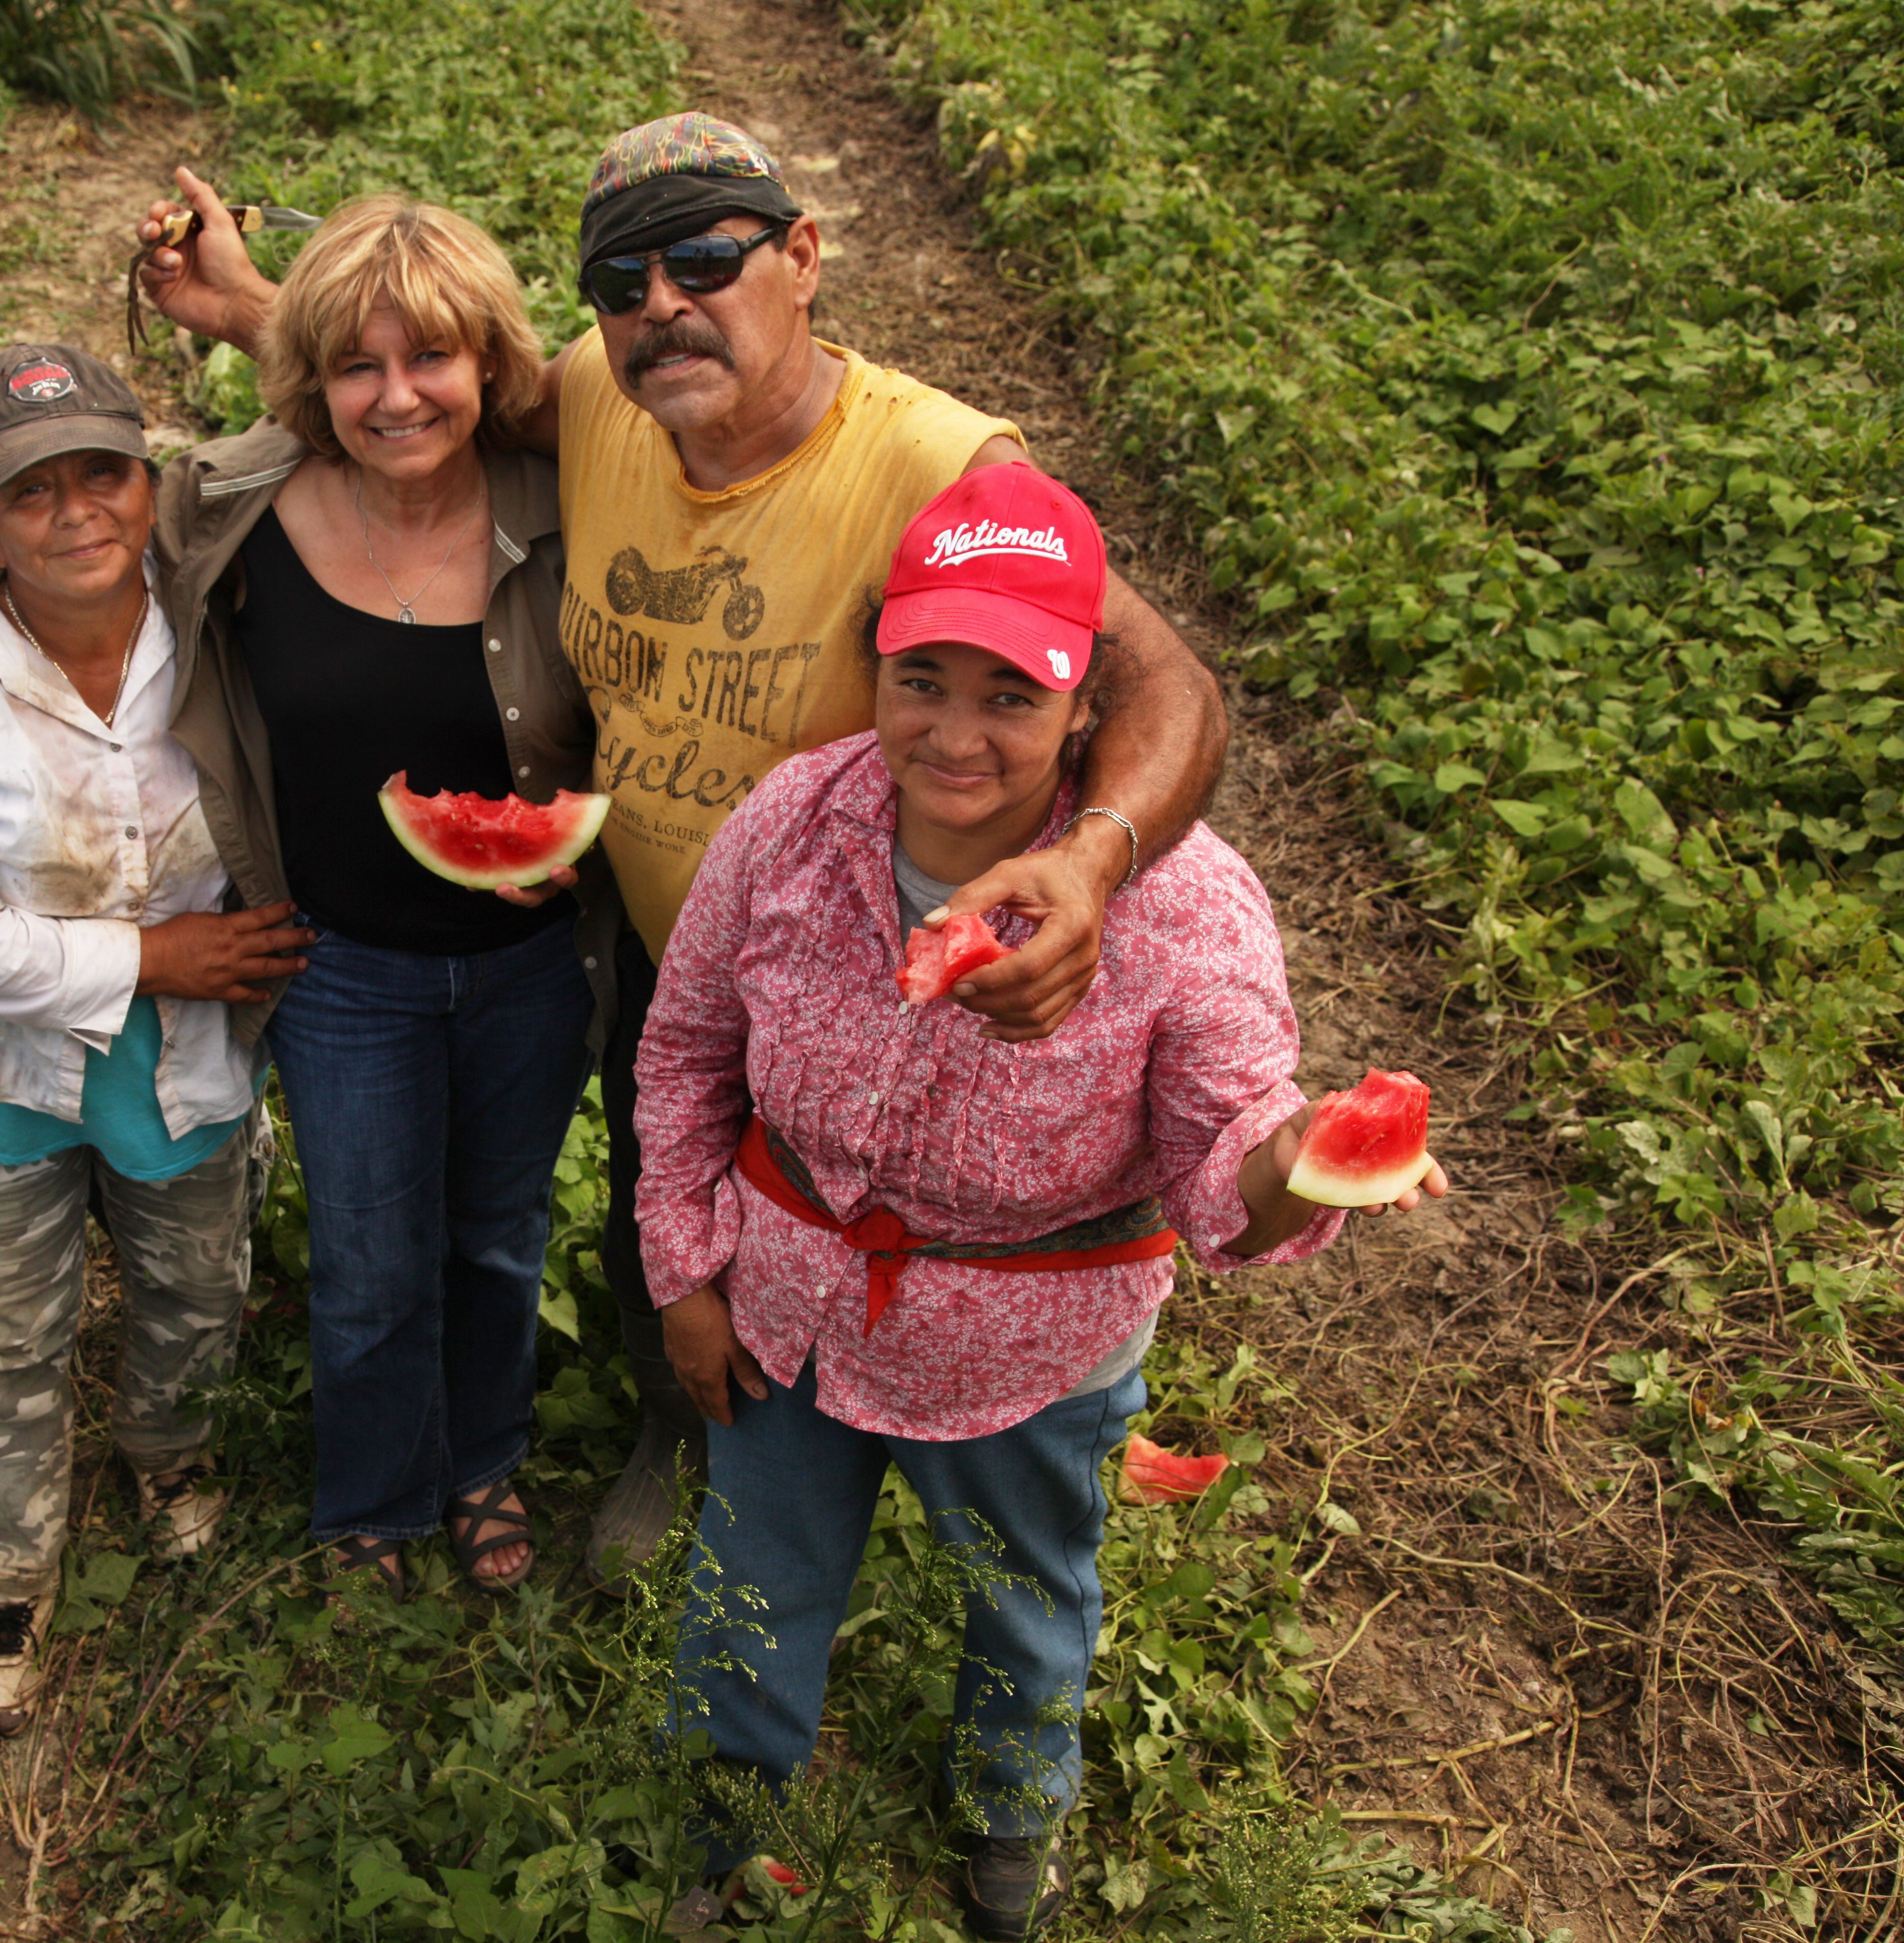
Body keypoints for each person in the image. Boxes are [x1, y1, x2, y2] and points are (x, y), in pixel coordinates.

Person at [131, 112, 1234, 1583]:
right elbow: (411, 378)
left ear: (801, 257)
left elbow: (1172, 688)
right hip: (649, 946)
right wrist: (257, 305)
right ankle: (682, 1423)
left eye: (706, 260)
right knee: (672, 1205)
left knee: (842, 1217)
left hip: (856, 957)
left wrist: (1091, 865)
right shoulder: (603, 397)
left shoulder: (936, 461)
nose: (664, 305)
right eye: (622, 283)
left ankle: (890, 1464)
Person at [633, 467, 1449, 1937]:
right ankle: (725, 1823)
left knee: (1026, 1596)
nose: (955, 733)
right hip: (791, 1313)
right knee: (751, 1591)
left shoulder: (1190, 908)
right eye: (920, 678)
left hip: (1032, 1355)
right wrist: (687, 1272)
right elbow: (687, 1048)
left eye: (1012, 694)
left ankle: (1013, 1815)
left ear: (1086, 708)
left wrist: (1305, 1156)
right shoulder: (789, 821)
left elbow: (1227, 1174)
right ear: (873, 663)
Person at [150, 197, 608, 1597]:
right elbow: (81, 539)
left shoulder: (563, 499)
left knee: (494, 1233)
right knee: (363, 1255)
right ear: (310, 382)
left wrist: (584, 842)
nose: (397, 397)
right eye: (358, 367)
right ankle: (376, 1491)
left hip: (530, 968)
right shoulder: (232, 506)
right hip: (338, 964)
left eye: (432, 362)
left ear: (489, 365)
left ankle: (481, 1458)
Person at [0, 344, 312, 1734]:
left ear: (150, 479)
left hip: (187, 1055)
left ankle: (164, 1451)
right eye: (29, 491)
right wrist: (165, 955)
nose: (73, 515)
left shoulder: (220, 615)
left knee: (192, 1283)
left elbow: (322, 431)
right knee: (0, 1335)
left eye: (102, 475)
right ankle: (9, 1567)